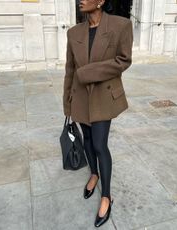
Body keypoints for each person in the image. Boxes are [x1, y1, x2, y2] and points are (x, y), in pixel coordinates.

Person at [63, 0, 133, 227]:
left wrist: (89, 72)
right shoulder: (74, 32)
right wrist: (67, 103)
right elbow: (70, 70)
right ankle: (94, 174)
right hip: (81, 97)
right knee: (88, 140)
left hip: (104, 96)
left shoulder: (121, 25)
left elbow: (123, 60)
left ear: (101, 1)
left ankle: (106, 196)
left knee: (100, 145)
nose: (80, 0)